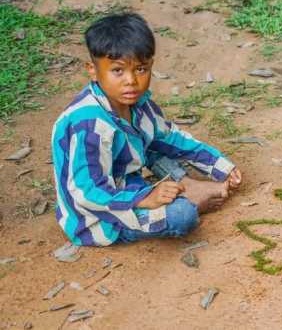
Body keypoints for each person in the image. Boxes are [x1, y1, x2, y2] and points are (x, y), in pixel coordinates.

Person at [51, 13, 242, 246]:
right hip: (97, 218)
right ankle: (190, 201)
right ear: (92, 70)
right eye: (118, 71)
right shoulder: (89, 125)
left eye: (140, 69)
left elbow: (171, 139)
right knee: (182, 216)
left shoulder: (138, 104)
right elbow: (86, 193)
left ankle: (186, 186)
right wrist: (144, 198)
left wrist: (219, 165)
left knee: (151, 142)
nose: (131, 81)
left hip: (126, 182)